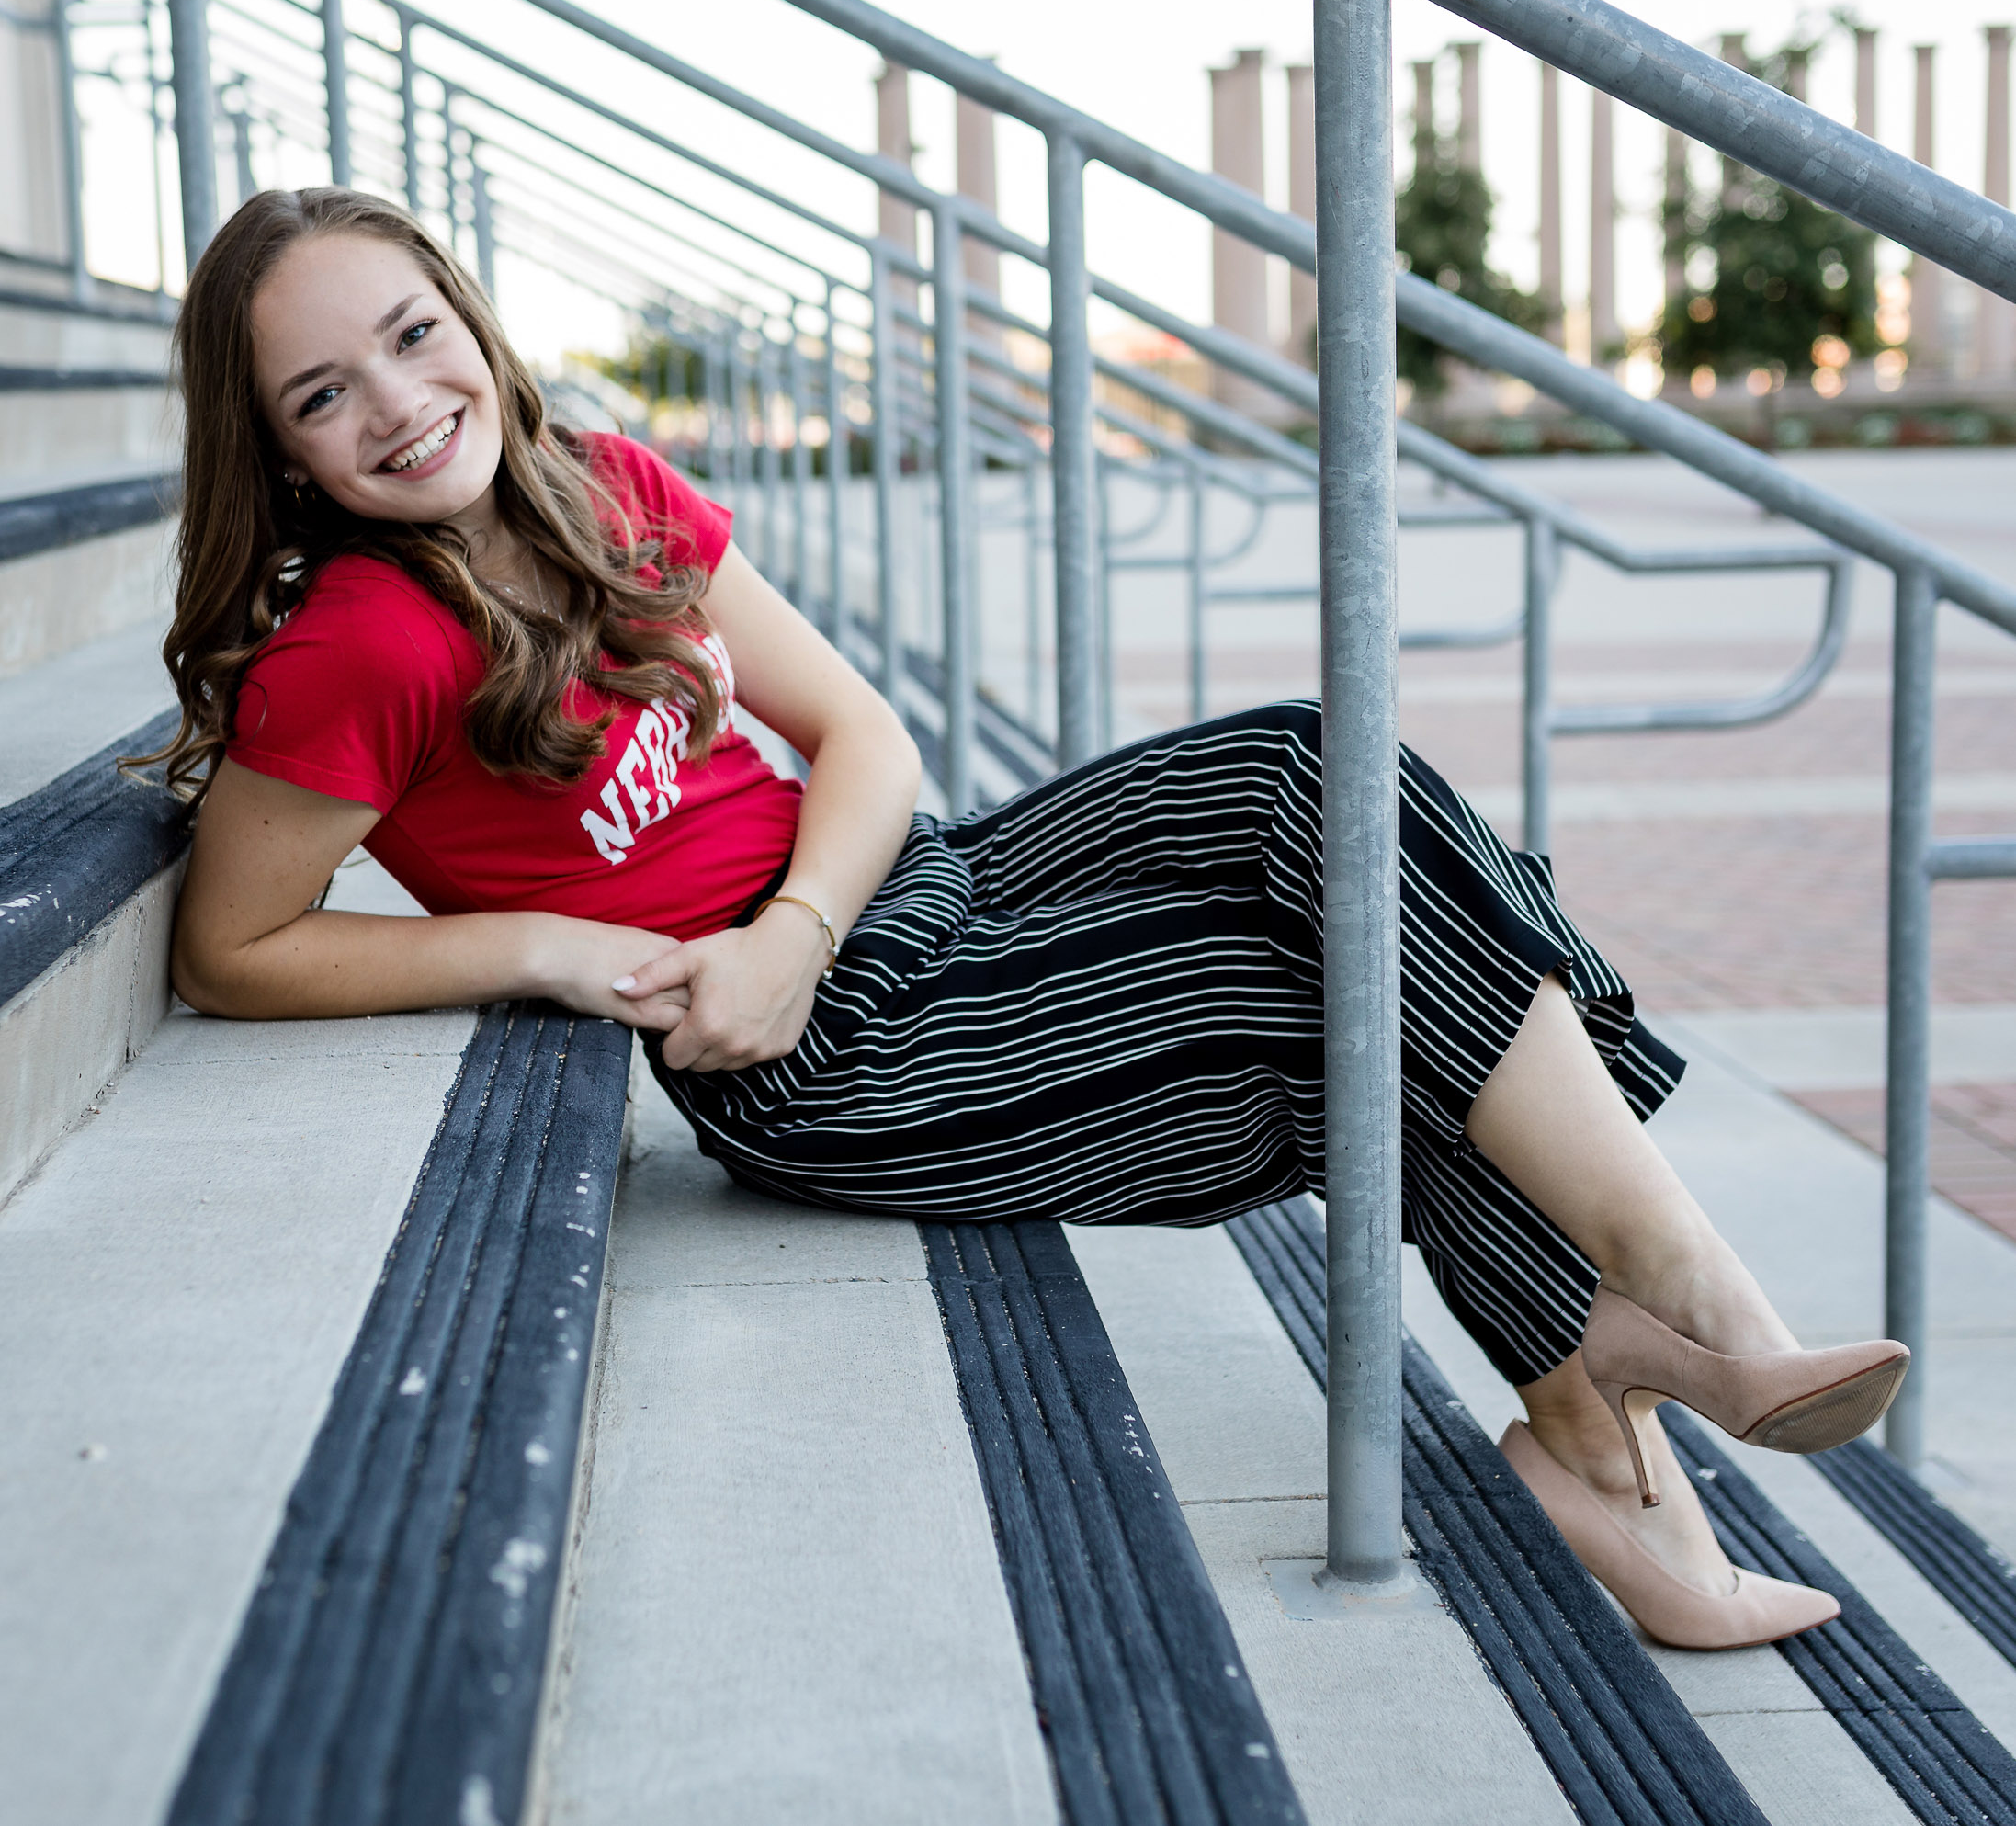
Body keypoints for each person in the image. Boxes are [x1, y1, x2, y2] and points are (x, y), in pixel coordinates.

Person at [153, 187, 1906, 1651]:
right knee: (1303, 998)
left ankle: (1651, 1340)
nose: (393, 402)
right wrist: (533, 946)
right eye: (320, 395)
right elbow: (233, 948)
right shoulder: (364, 649)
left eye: (408, 331)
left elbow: (863, 736)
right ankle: (1633, 1388)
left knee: (1318, 769)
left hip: (879, 907)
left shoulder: (606, 483)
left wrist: (809, 917)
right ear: (285, 455)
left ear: (467, 311)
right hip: (819, 1057)